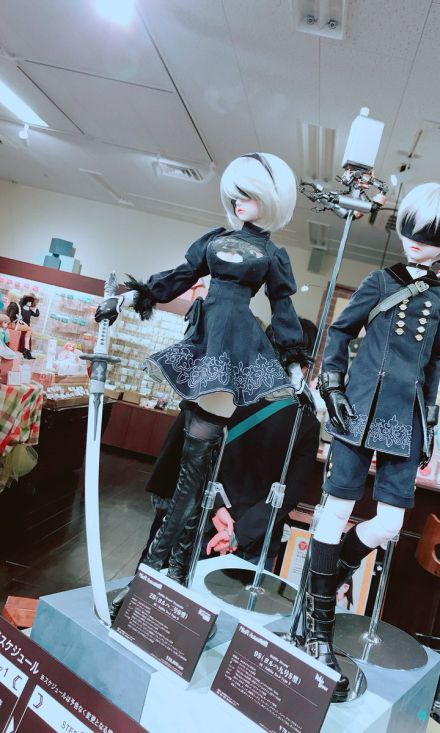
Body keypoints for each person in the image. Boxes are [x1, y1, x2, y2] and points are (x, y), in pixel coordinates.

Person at [96, 152, 313, 589]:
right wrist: (127, 298)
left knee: (192, 474)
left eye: (248, 195)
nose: (238, 202)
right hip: (205, 339)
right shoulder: (214, 240)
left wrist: (294, 368)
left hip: (233, 346)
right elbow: (177, 277)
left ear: (270, 199)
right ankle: (168, 571)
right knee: (192, 474)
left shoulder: (272, 254)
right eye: (236, 194)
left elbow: (283, 309)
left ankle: (156, 572)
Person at [307, 182, 440, 701]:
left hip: (405, 418)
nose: (416, 242)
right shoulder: (381, 281)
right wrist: (332, 385)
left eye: (431, 236)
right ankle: (318, 630)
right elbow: (340, 332)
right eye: (412, 231)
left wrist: (430, 421)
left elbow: (435, 363)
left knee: (390, 523)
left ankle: (334, 570)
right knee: (335, 510)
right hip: (359, 409)